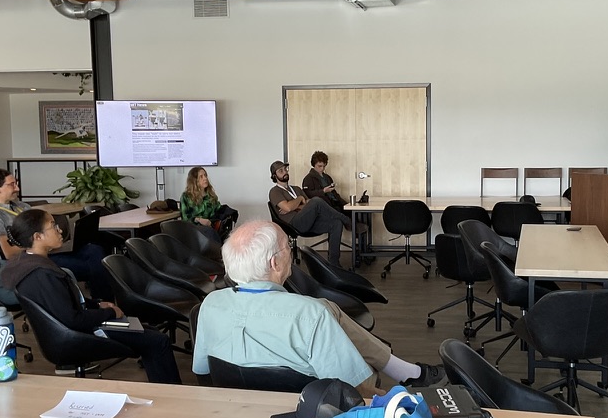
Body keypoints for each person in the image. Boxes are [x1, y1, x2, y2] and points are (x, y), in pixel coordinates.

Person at [193, 220, 442, 398]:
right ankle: (403, 376)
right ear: (275, 263)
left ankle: (405, 371)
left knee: (326, 308)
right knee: (330, 320)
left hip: (236, 408)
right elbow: (354, 388)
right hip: (311, 413)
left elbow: (202, 374)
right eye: (287, 247)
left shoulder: (210, 304)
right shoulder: (309, 315)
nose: (290, 252)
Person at [1, 209, 181, 384]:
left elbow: (66, 302)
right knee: (157, 341)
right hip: (74, 336)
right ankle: (172, 395)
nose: (60, 230)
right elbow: (73, 319)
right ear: (37, 237)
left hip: (74, 330)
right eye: (53, 226)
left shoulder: (29, 263)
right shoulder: (41, 274)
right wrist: (110, 313)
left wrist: (97, 304)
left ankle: (164, 391)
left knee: (149, 332)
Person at [0, 168, 112, 299]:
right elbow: (7, 253)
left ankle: (103, 299)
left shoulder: (23, 207)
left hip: (49, 250)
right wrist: (40, 244)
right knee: (94, 266)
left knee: (94, 249)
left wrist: (50, 241)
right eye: (12, 184)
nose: (17, 188)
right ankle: (102, 301)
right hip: (30, 259)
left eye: (16, 183)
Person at [268, 160, 351, 266]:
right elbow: (288, 208)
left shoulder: (296, 188)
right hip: (293, 224)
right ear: (274, 176)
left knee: (336, 223)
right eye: (281, 171)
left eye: (285, 169)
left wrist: (295, 206)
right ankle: (345, 219)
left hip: (308, 221)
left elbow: (308, 203)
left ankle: (334, 263)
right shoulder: (275, 191)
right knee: (317, 201)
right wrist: (300, 198)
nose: (285, 172)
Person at [180, 166, 238, 239]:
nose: (205, 178)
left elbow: (218, 212)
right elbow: (185, 219)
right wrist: (199, 220)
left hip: (211, 228)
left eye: (205, 175)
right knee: (210, 234)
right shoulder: (186, 196)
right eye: (201, 177)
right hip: (194, 230)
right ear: (194, 180)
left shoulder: (210, 195)